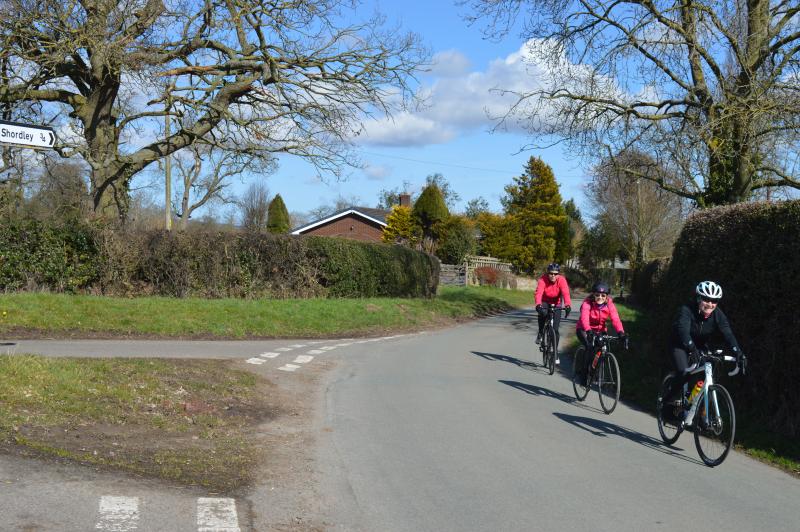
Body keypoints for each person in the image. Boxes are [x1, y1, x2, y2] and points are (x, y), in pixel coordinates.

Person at [664, 281, 745, 405]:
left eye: (714, 301)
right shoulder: (686, 310)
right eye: (706, 299)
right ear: (698, 298)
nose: (710, 304)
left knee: (710, 373)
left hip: (699, 346)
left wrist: (738, 352)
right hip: (679, 344)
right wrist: (691, 348)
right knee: (684, 372)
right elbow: (682, 331)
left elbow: (727, 333)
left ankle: (699, 410)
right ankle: (668, 401)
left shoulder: (717, 314)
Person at [574, 282, 627, 385]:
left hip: (600, 330)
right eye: (597, 295)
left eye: (603, 295)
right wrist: (588, 330)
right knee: (589, 347)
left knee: (602, 347)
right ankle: (584, 374)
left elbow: (615, 319)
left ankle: (596, 370)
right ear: (593, 295)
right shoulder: (587, 303)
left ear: (607, 296)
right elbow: (584, 318)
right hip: (584, 329)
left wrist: (621, 332)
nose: (600, 297)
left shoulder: (609, 304)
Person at [535, 263, 571, 365]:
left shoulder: (562, 280)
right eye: (551, 273)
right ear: (548, 273)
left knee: (555, 330)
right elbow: (539, 293)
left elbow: (566, 293)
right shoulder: (543, 280)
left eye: (555, 274)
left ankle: (555, 352)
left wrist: (568, 305)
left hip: (557, 303)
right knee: (543, 313)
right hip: (545, 301)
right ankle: (541, 332)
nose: (553, 276)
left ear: (558, 274)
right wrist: (538, 305)